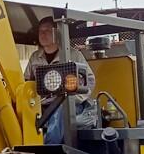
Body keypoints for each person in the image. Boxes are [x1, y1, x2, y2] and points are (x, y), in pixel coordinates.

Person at [24, 16, 97, 144]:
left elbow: (89, 80)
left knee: (62, 110)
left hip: (67, 103)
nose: (43, 34)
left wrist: (73, 99)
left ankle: (48, 151)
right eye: (41, 31)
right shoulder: (35, 57)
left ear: (56, 33)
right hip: (41, 104)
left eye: (47, 31)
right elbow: (26, 82)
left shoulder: (73, 55)